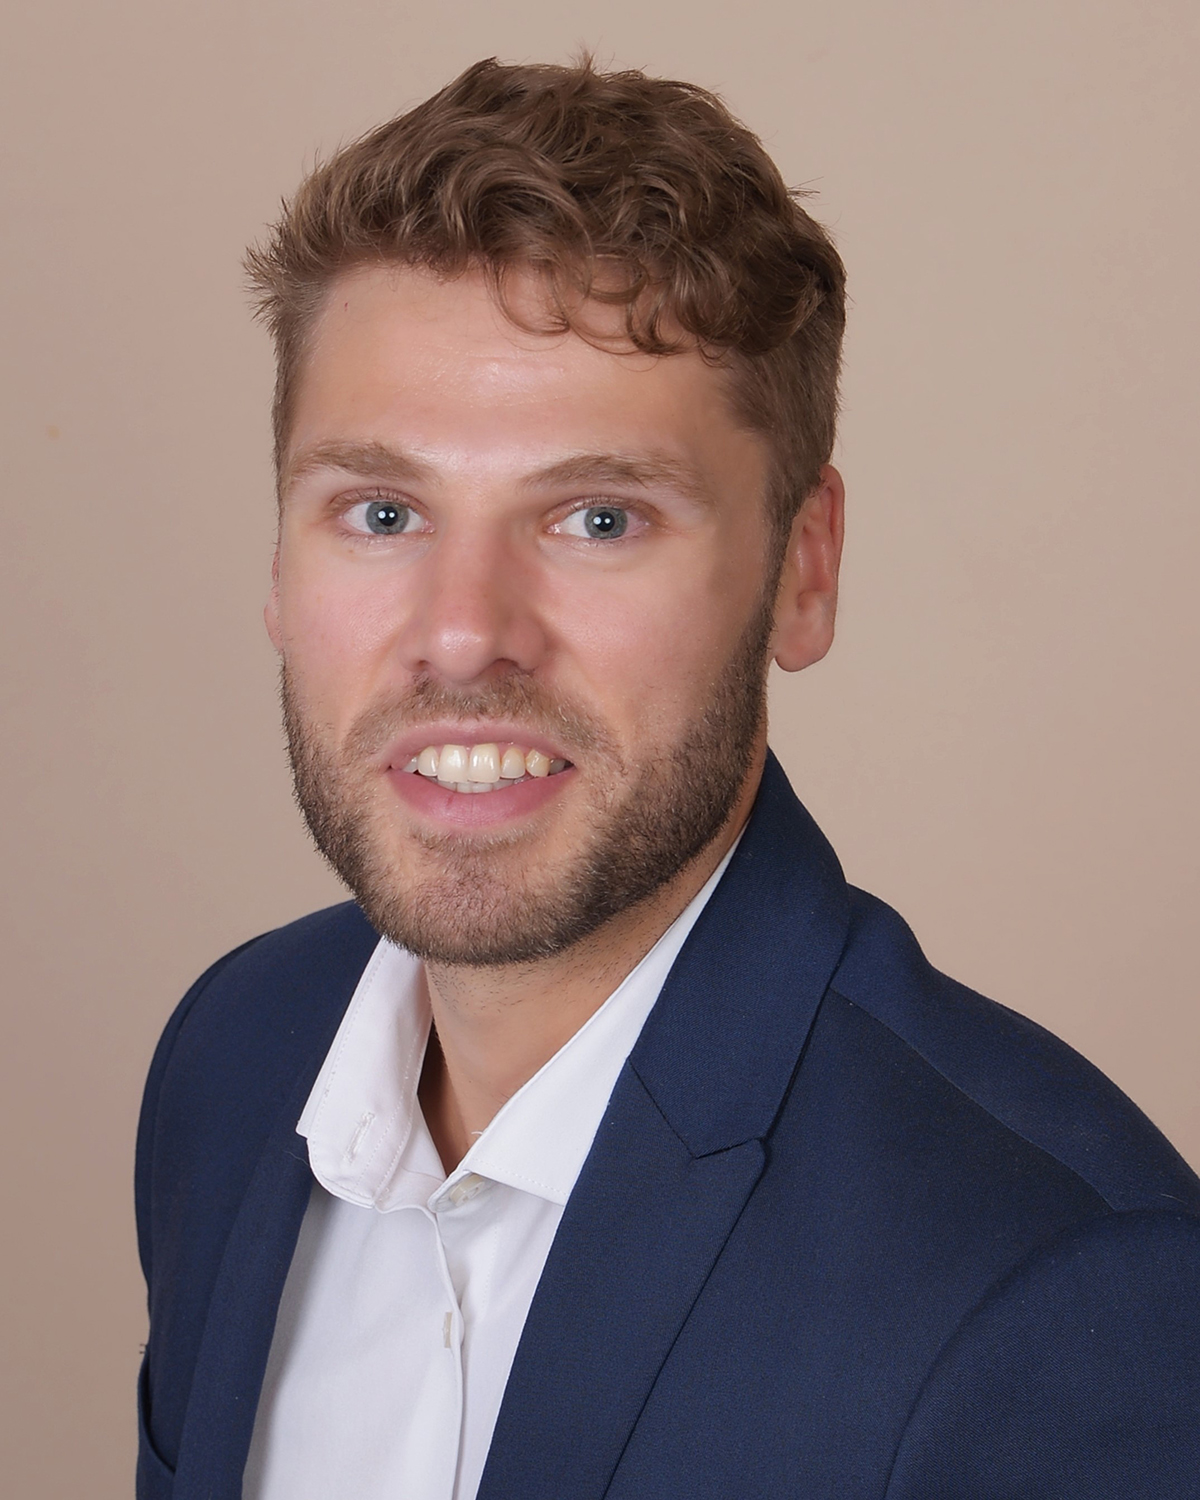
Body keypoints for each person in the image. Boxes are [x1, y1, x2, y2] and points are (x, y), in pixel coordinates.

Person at [134, 56, 1200, 1500]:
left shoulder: (1064, 1295)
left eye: (596, 518)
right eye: (380, 512)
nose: (464, 632)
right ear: (277, 560)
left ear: (803, 569)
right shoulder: (231, 1058)